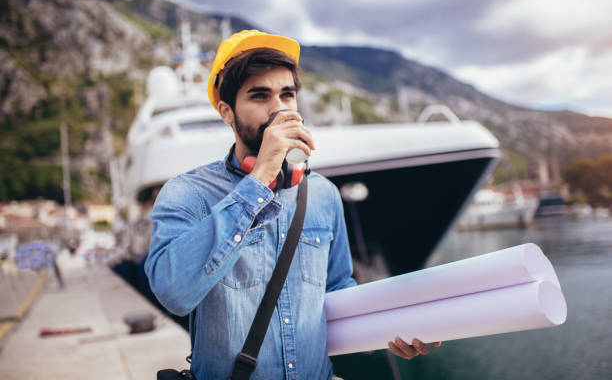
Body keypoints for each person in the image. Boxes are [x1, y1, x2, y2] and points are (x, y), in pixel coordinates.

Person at [145, 30, 441, 380]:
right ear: (227, 112)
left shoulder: (323, 193)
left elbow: (337, 290)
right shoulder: (186, 192)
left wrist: (392, 329)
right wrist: (258, 180)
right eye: (260, 96)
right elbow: (174, 293)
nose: (279, 109)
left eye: (287, 94)